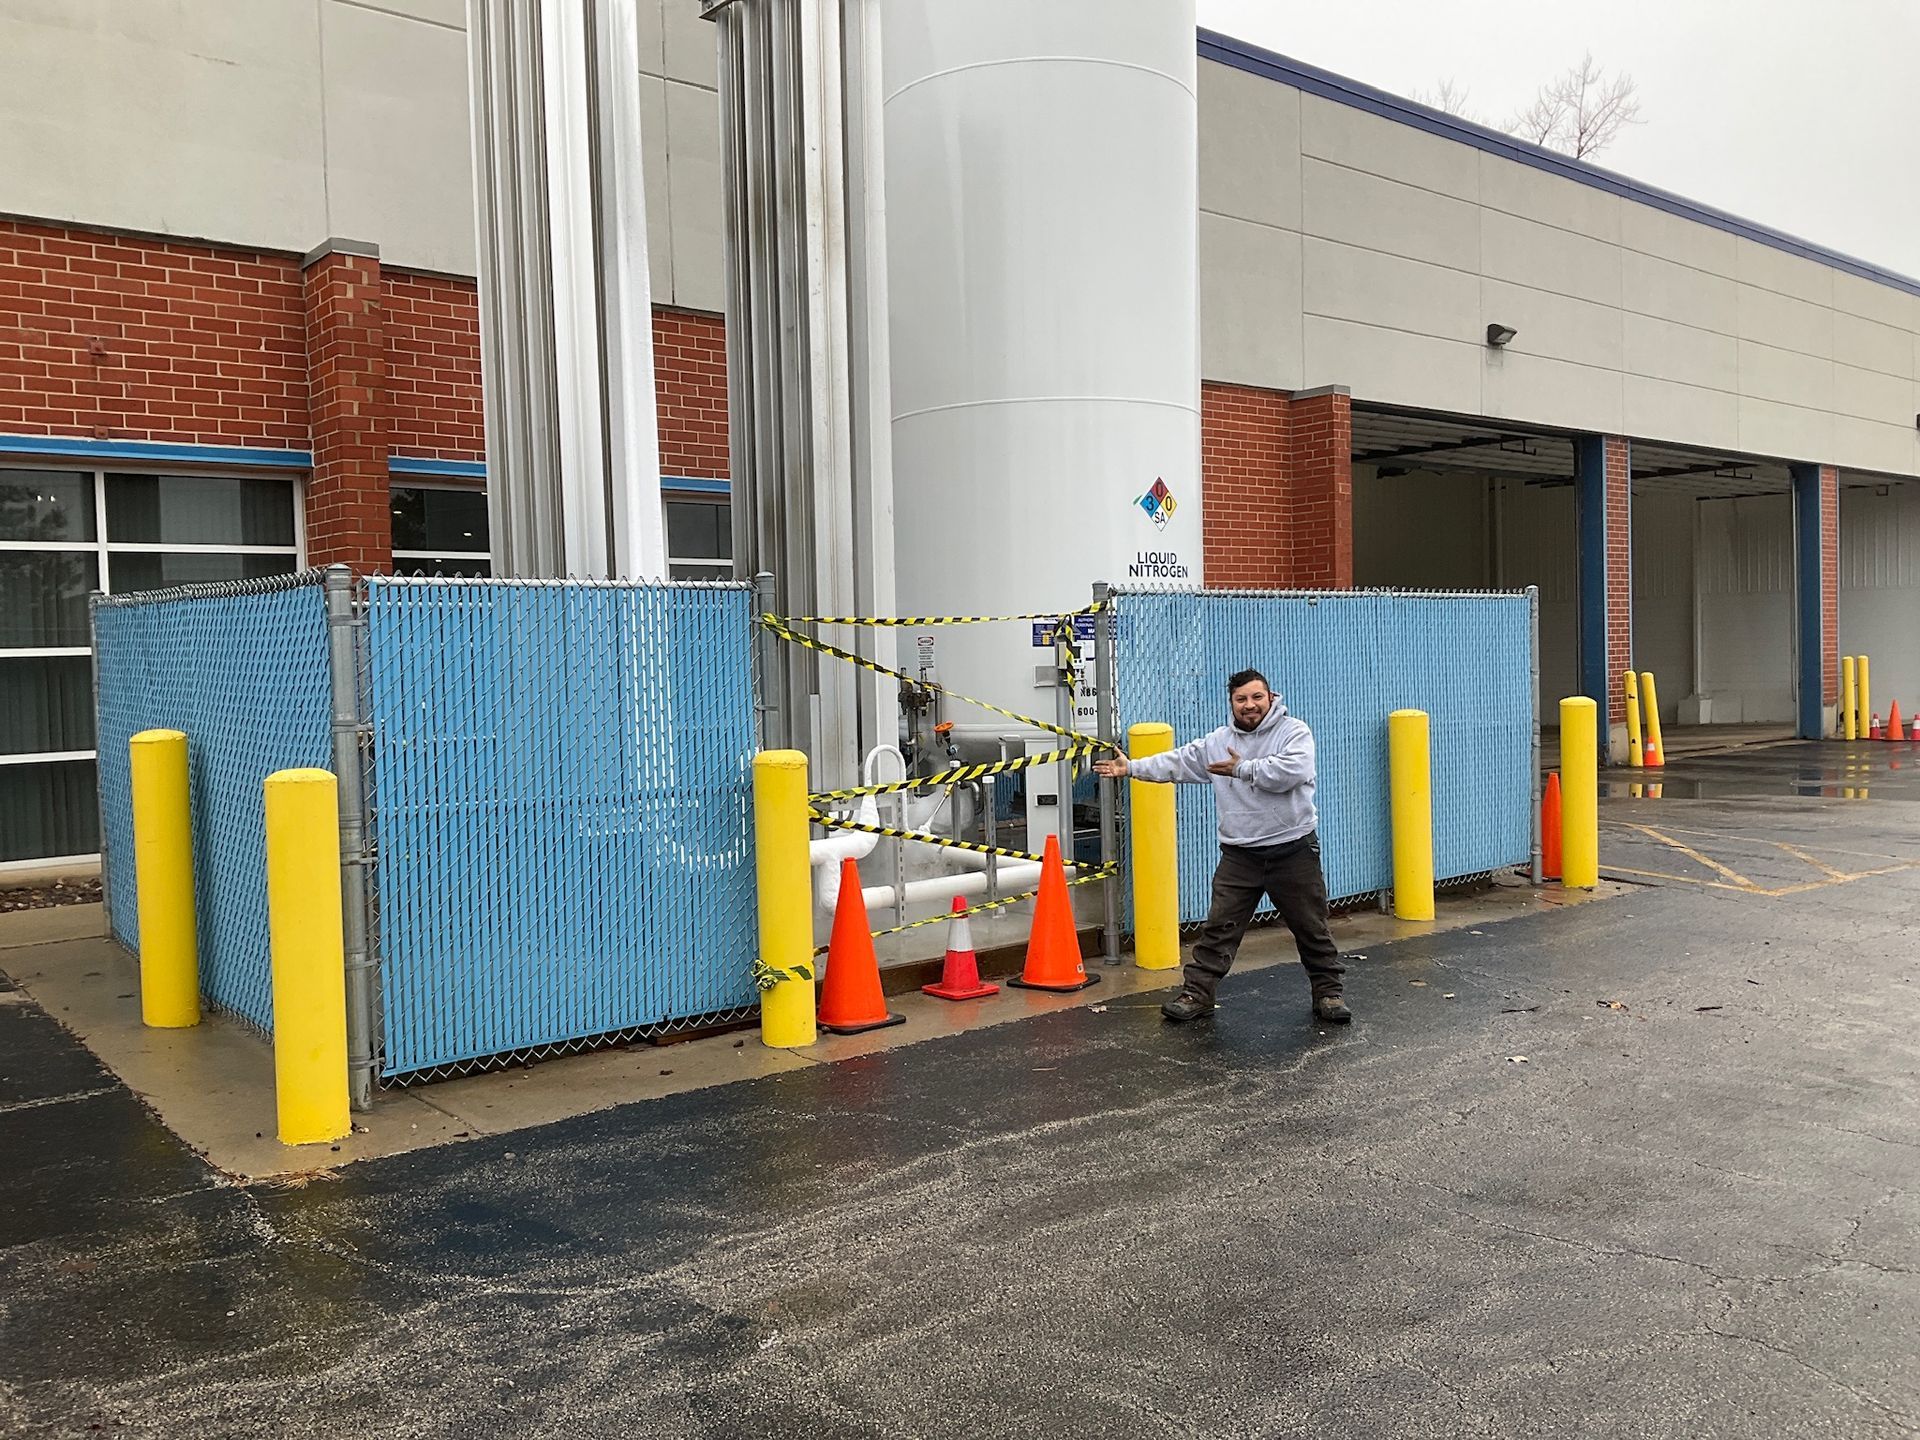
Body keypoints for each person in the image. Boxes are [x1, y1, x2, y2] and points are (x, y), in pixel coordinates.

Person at [1094, 669, 1351, 1025]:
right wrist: (1132, 767)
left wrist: (1242, 768)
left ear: (1271, 697)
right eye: (1241, 699)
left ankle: (1328, 994)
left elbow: (1292, 771)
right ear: (1232, 703)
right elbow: (1179, 761)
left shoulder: (1294, 732)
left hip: (1292, 849)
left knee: (1312, 927)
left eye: (1257, 697)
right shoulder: (1218, 741)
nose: (1250, 706)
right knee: (1219, 928)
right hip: (1240, 854)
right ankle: (1197, 994)